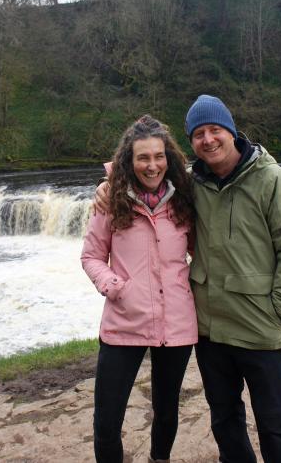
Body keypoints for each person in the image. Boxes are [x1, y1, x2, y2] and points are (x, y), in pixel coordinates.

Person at [95, 96, 281, 463]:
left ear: (231, 130)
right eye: (198, 134)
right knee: (225, 421)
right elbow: (147, 169)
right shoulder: (193, 185)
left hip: (259, 324)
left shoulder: (272, 180)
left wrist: (279, 306)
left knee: (274, 423)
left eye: (215, 130)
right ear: (190, 142)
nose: (208, 140)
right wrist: (110, 179)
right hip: (209, 329)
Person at [81, 115, 198, 463]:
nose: (152, 165)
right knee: (106, 421)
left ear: (169, 158)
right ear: (129, 162)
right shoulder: (111, 202)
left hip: (176, 325)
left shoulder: (184, 201)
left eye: (159, 156)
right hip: (123, 324)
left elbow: (201, 251)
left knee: (166, 412)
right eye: (143, 158)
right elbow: (91, 256)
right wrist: (115, 286)